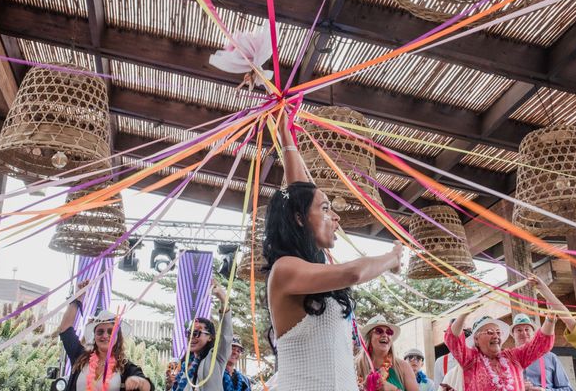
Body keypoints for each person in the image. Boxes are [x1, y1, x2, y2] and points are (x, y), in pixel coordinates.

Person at [262, 115, 403, 391]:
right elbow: (354, 272)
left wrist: (285, 133)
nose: (336, 216)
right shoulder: (285, 269)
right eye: (326, 209)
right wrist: (392, 258)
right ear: (300, 219)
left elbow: (301, 193)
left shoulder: (313, 267)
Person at [445, 278, 556, 391]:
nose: (496, 336)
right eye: (489, 332)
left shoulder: (513, 357)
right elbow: (453, 340)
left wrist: (550, 320)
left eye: (498, 332)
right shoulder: (470, 359)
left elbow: (540, 343)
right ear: (476, 339)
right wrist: (464, 313)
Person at [58, 281, 153, 391]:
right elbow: (65, 329)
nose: (105, 335)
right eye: (100, 332)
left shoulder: (125, 367)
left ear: (118, 336)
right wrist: (77, 299)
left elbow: (147, 386)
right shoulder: (81, 357)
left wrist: (140, 382)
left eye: (110, 331)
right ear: (94, 336)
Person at [171, 280, 233, 391]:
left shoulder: (216, 358)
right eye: (189, 333)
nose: (191, 337)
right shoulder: (185, 365)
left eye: (196, 333)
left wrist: (223, 300)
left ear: (210, 337)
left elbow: (226, 337)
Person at [510, 313, 573, 391]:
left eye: (527, 329)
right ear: (513, 334)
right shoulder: (506, 361)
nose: (523, 333)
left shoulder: (550, 358)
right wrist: (516, 388)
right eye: (519, 330)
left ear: (533, 333)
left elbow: (568, 389)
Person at [355, 316, 418, 391]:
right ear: (370, 337)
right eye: (379, 331)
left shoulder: (403, 367)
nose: (385, 335)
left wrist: (393, 389)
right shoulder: (355, 366)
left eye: (389, 332)